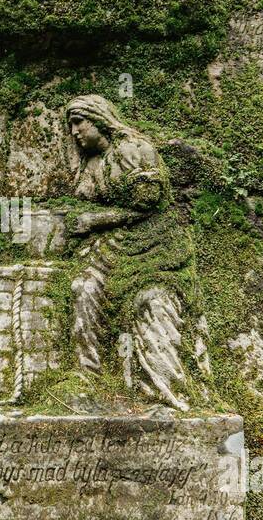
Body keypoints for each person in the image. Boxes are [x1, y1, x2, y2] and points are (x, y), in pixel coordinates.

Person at [65, 94, 203, 411]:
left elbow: (148, 204)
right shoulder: (90, 164)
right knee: (83, 288)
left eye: (78, 123)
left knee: (151, 302)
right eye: (70, 125)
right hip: (115, 249)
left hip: (156, 248)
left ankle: (163, 393)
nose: (74, 132)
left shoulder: (133, 149)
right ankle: (91, 380)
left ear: (98, 119)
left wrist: (96, 220)